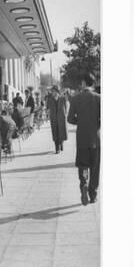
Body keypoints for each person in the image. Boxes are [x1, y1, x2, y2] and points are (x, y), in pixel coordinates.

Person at [67, 74, 101, 205]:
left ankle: (84, 185)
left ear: (83, 83)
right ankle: (93, 194)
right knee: (95, 167)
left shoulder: (75, 98)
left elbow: (69, 119)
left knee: (83, 165)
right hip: (95, 139)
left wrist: (80, 122)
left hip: (82, 139)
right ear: (92, 83)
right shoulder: (99, 98)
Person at [47, 85, 68, 154]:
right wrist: (48, 115)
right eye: (52, 91)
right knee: (55, 133)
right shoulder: (49, 99)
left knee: (61, 132)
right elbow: (47, 108)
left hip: (61, 118)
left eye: (53, 91)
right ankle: (57, 148)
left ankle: (61, 143)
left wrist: (64, 115)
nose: (52, 92)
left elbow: (66, 108)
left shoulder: (62, 98)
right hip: (54, 118)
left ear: (56, 91)